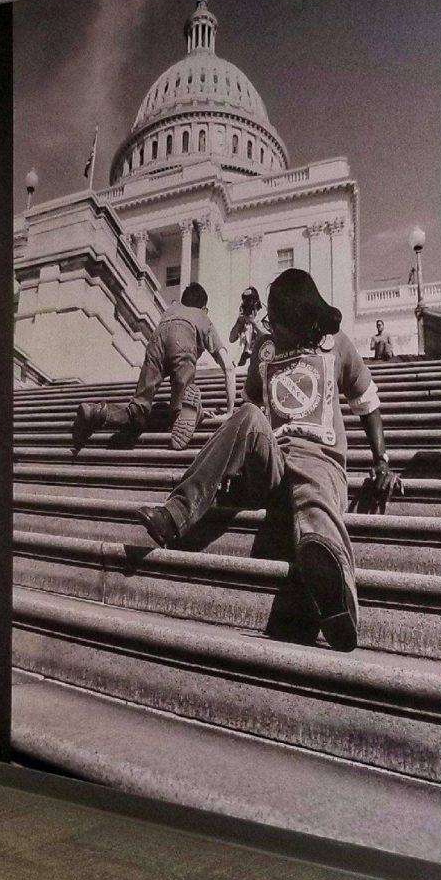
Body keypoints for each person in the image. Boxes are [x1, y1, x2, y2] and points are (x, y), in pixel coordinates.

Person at [134, 269, 401, 653]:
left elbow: (368, 404)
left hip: (319, 461)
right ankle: (176, 513)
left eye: (277, 321)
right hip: (273, 463)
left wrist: (382, 461)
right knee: (246, 415)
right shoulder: (264, 348)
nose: (269, 326)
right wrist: (233, 453)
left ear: (303, 321)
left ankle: (335, 599)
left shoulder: (336, 345)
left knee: (317, 510)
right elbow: (252, 405)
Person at [72, 282, 237, 452]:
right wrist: (229, 412)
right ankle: (186, 412)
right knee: (179, 409)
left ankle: (97, 412)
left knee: (138, 408)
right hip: (183, 341)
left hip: (157, 337)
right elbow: (229, 367)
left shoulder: (170, 311)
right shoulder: (202, 317)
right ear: (204, 308)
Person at [230, 286, 264, 365]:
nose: (246, 303)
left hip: (260, 359)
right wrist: (239, 322)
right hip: (244, 360)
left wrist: (254, 323)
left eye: (249, 300)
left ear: (255, 302)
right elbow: (231, 339)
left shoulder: (263, 316)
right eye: (244, 300)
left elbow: (269, 337)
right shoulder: (244, 319)